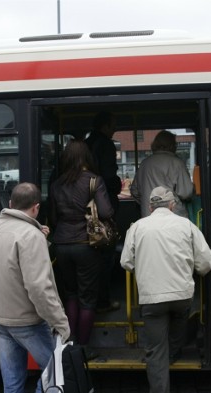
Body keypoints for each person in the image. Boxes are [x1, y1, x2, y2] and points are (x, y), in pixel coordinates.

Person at [120, 186, 211, 393]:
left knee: (155, 353)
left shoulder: (137, 227)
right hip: (181, 296)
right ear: (172, 205)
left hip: (151, 299)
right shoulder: (187, 226)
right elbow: (205, 264)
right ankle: (175, 349)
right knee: (182, 317)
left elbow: (126, 262)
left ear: (151, 207)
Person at [0, 182, 70, 393]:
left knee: (12, 385)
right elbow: (39, 287)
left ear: (10, 205)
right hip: (26, 321)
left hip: (0, 318)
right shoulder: (30, 236)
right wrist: (61, 323)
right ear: (36, 208)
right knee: (55, 376)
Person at [49, 141, 114, 359]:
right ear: (87, 158)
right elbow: (105, 212)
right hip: (86, 244)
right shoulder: (94, 181)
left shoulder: (57, 184)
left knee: (70, 295)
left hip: (61, 244)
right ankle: (83, 348)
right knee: (88, 298)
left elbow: (54, 217)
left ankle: (70, 343)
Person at [85, 111, 122, 313]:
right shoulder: (105, 144)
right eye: (113, 124)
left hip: (87, 211)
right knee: (106, 256)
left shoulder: (88, 143)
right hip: (101, 207)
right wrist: (115, 185)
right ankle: (103, 300)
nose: (115, 129)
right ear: (105, 126)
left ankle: (91, 302)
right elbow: (110, 178)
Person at [130, 130, 194, 218]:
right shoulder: (177, 163)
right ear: (172, 146)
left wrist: (147, 203)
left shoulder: (144, 164)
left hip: (148, 216)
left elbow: (134, 191)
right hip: (174, 217)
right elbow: (186, 193)